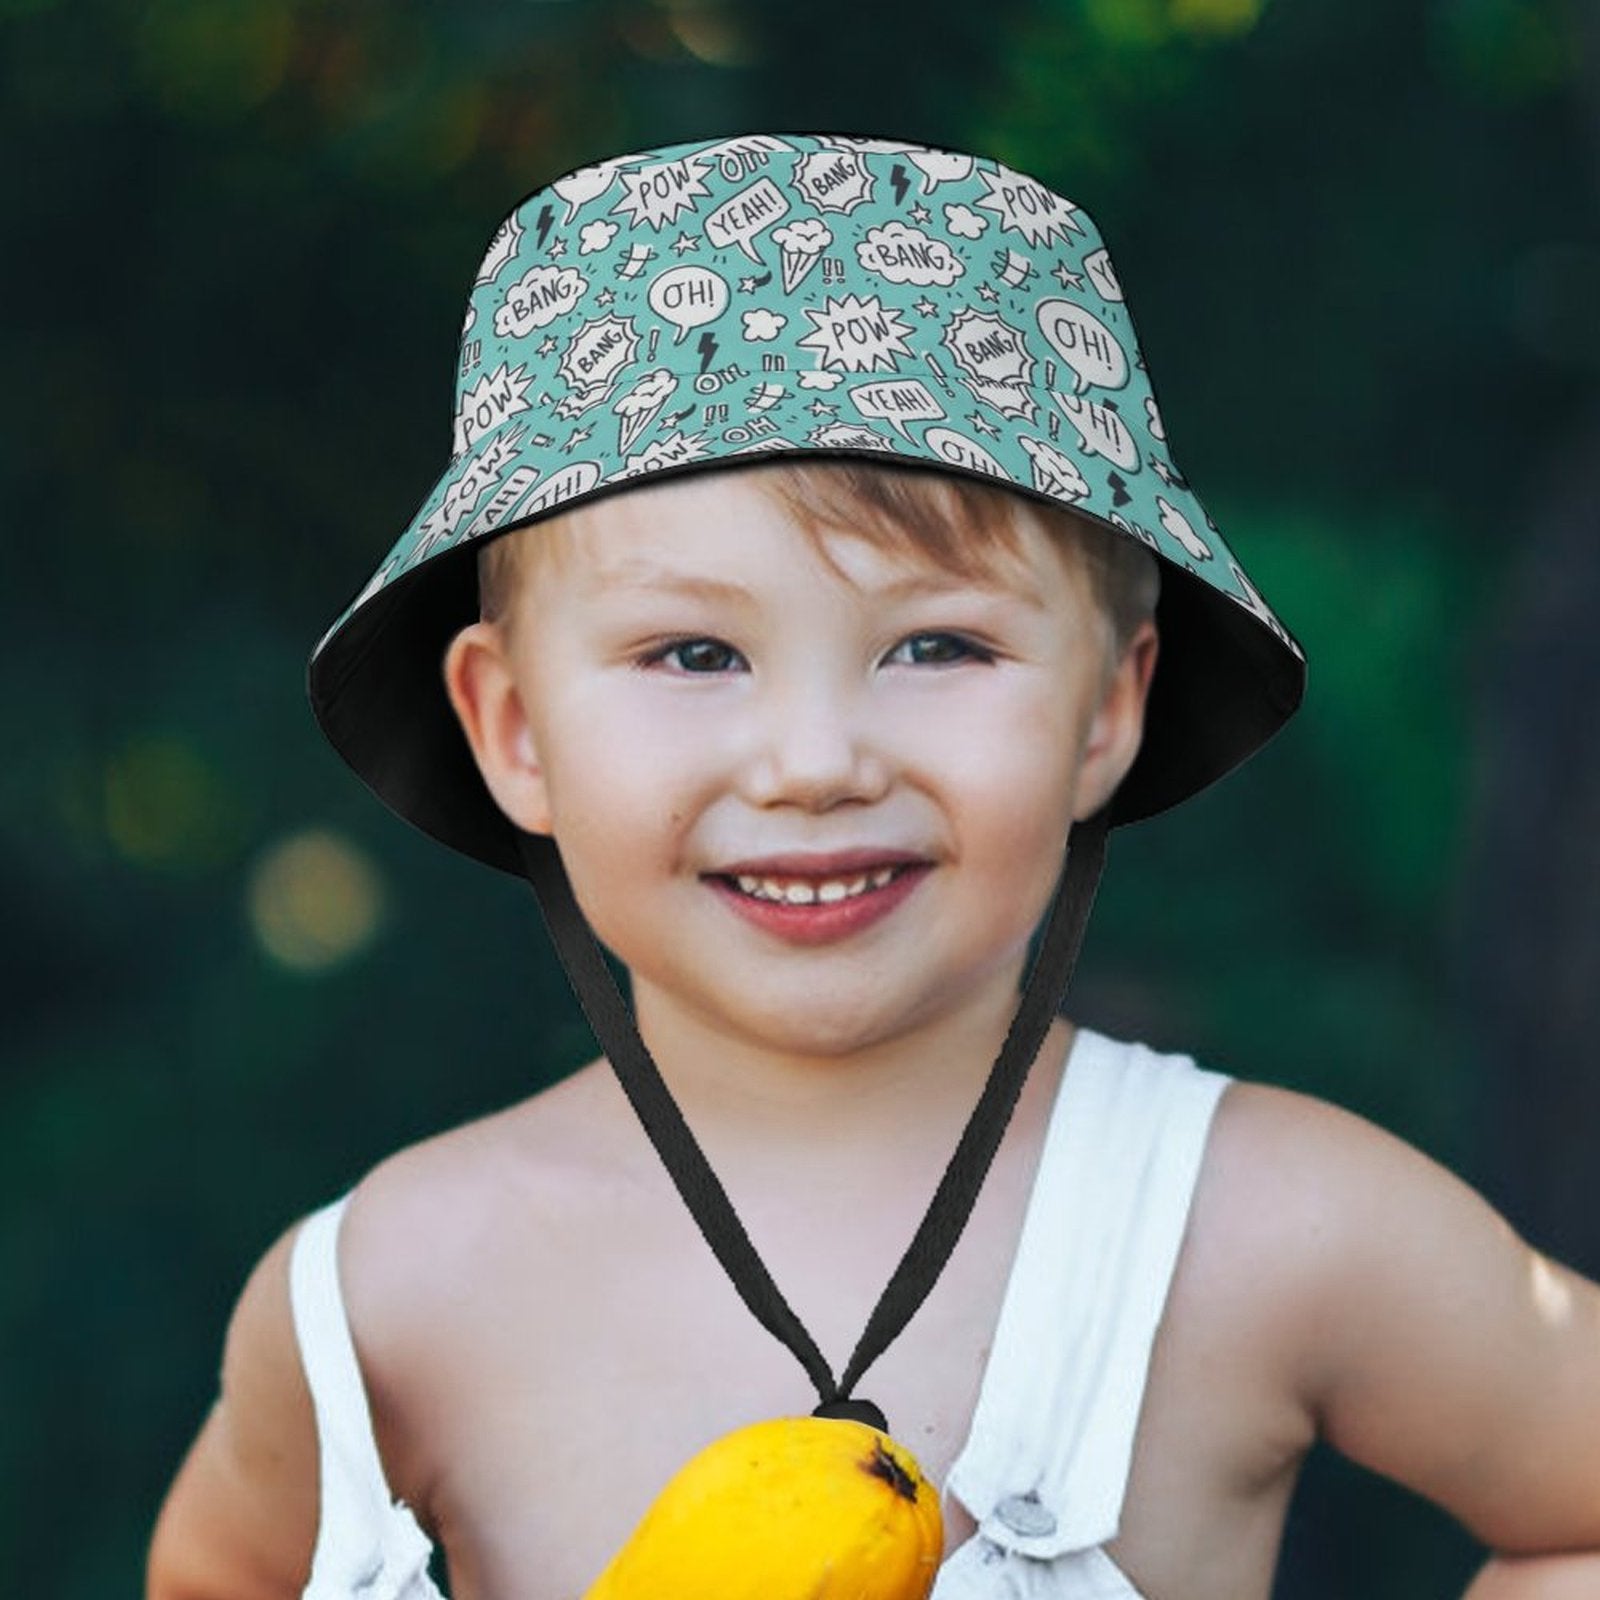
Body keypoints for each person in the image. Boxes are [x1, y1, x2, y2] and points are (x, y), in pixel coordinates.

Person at [146, 133, 1600, 1600]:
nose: (815, 760)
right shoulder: (389, 1296)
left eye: (937, 646)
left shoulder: (1268, 1226)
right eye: (695, 653)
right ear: (514, 728)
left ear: (1107, 709)